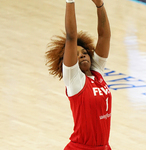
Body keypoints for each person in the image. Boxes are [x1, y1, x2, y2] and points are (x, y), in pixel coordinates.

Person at [45, 0, 112, 149]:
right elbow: (71, 36)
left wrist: (100, 5)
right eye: (75, 54)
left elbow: (104, 37)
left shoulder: (97, 72)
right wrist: (70, 2)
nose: (82, 55)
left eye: (84, 52)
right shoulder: (74, 79)